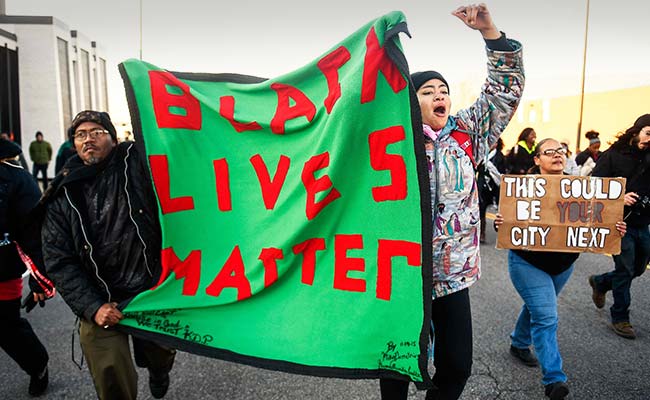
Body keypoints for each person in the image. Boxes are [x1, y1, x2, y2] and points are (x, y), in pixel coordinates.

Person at [379, 4, 524, 400]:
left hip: (453, 276)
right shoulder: (391, 141)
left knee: (457, 365)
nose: (440, 95)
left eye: (444, 90)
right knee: (399, 364)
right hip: (403, 276)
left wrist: (490, 32)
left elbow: (503, 93)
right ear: (412, 101)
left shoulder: (467, 135)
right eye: (428, 91)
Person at [40, 110, 176, 400]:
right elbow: (59, 260)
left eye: (96, 132)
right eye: (80, 135)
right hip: (99, 298)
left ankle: (159, 370)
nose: (88, 139)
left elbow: (170, 143)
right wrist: (92, 306)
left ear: (113, 139)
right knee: (110, 374)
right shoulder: (63, 193)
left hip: (147, 291)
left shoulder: (136, 165)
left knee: (160, 351)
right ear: (73, 144)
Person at [494, 138, 626, 400]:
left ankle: (519, 343)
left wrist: (614, 227)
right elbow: (510, 220)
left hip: (564, 265)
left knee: (538, 306)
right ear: (537, 159)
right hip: (528, 263)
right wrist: (502, 222)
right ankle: (554, 379)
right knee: (546, 316)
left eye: (560, 151)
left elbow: (598, 218)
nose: (557, 155)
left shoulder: (582, 188)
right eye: (549, 151)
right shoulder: (521, 187)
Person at [588, 114, 650, 339]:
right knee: (625, 269)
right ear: (636, 132)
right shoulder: (612, 156)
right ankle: (621, 317)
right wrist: (619, 198)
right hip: (618, 223)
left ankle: (601, 281)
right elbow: (594, 188)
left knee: (638, 268)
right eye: (648, 133)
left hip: (643, 223)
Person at [0, 138, 50, 396]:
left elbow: (35, 231)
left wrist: (41, 278)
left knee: (6, 328)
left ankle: (38, 364)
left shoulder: (16, 177)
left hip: (3, 270)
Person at [478, 137, 507, 243]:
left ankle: (503, 232)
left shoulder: (500, 156)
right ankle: (482, 233)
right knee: (481, 210)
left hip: (495, 186)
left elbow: (502, 173)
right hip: (482, 186)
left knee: (500, 211)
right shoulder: (481, 155)